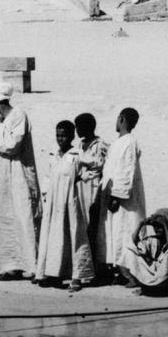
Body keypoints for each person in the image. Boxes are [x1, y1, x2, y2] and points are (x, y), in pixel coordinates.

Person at [0, 81, 41, 279]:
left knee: (22, 218)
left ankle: (29, 265)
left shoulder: (18, 115)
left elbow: (12, 144)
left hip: (18, 176)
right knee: (3, 219)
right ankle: (7, 265)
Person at [36, 120, 95, 291]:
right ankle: (52, 273)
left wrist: (82, 177)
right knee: (53, 237)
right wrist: (46, 194)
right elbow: (48, 176)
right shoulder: (53, 154)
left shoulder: (77, 154)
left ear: (71, 136)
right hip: (53, 203)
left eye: (64, 135)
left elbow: (96, 164)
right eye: (58, 135)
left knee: (72, 235)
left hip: (69, 201)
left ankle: (77, 277)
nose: (60, 139)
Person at [101, 107, 146, 276]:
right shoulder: (119, 142)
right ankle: (119, 271)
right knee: (116, 233)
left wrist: (117, 196)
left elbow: (126, 170)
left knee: (127, 232)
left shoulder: (129, 142)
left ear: (121, 119)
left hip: (125, 200)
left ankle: (131, 274)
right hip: (115, 197)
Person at [73, 111, 109, 276]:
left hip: (94, 187)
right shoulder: (79, 145)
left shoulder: (100, 145)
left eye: (79, 127)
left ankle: (97, 266)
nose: (77, 130)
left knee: (94, 227)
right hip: (81, 188)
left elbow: (101, 164)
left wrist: (82, 162)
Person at [121, 208, 168, 295]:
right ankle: (145, 287)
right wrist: (141, 225)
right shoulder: (152, 240)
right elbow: (133, 242)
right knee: (130, 251)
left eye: (161, 227)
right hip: (156, 274)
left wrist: (164, 225)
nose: (157, 229)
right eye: (155, 227)